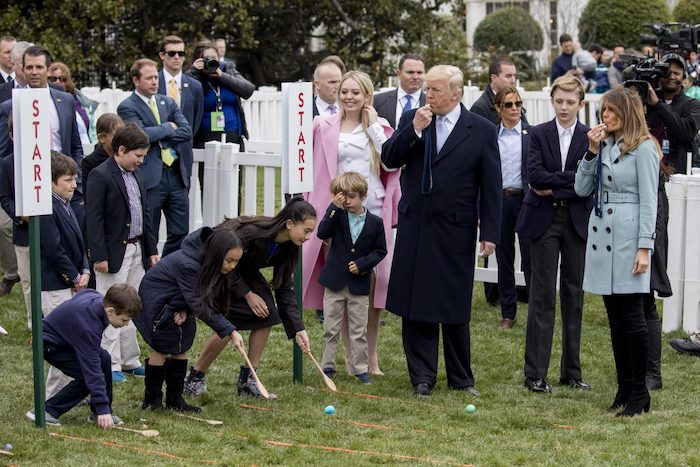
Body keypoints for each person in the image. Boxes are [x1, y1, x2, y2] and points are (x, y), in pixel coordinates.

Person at [381, 65, 502, 397]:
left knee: (454, 303)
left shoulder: (480, 129)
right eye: (426, 90)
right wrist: (414, 131)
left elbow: (491, 185)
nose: (427, 95)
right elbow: (389, 159)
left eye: (434, 90)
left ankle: (461, 378)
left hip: (456, 227)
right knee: (417, 301)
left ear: (456, 93)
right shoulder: (414, 119)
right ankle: (422, 375)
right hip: (417, 224)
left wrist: (490, 231)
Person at [302, 70, 400, 376]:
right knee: (342, 283)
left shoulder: (381, 126)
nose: (349, 97)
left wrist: (372, 127)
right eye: (344, 91)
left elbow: (390, 160)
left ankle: (370, 355)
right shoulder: (323, 125)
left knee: (374, 283)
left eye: (356, 92)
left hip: (373, 208)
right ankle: (349, 354)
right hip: (340, 213)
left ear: (367, 96)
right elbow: (315, 168)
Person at [575, 86, 660, 416]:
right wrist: (591, 153)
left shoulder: (644, 149)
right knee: (615, 320)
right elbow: (582, 189)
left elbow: (649, 202)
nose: (604, 117)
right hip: (603, 237)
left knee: (633, 319)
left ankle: (640, 393)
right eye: (602, 112)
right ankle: (625, 387)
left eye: (610, 111)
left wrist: (644, 248)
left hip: (627, 239)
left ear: (626, 112)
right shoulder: (605, 145)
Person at [184, 198, 315, 399]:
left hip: (243, 270)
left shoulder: (290, 246)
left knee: (268, 313)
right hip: (218, 267)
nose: (308, 237)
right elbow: (223, 257)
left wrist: (298, 328)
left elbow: (284, 288)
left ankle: (248, 380)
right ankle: (195, 378)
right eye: (306, 230)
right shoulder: (251, 233)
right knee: (227, 323)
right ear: (290, 224)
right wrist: (247, 294)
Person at [516, 75, 592, 394]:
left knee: (574, 296)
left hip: (575, 221)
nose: (563, 107)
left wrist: (560, 183)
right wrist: (571, 181)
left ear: (580, 104)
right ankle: (535, 373)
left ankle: (571, 371)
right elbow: (534, 177)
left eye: (570, 102)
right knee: (543, 295)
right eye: (559, 101)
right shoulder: (537, 133)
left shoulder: (590, 138)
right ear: (552, 100)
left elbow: (588, 183)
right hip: (543, 219)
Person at [135, 228, 245, 413]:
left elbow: (197, 296)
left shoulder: (208, 262)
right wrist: (230, 331)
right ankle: (152, 401)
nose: (233, 266)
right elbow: (198, 301)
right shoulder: (189, 265)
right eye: (229, 260)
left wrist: (186, 309)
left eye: (236, 261)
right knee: (162, 348)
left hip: (178, 300)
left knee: (182, 345)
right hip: (157, 302)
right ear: (216, 253)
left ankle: (175, 399)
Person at [85, 123, 159, 383]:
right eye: (137, 156)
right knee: (111, 306)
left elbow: (144, 214)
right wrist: (99, 255)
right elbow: (93, 219)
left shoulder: (137, 175)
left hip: (137, 248)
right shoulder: (100, 175)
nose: (140, 161)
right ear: (121, 150)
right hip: (113, 253)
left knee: (132, 306)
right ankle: (110, 362)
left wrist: (151, 249)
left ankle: (129, 360)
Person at [25, 284, 142, 427]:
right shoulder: (88, 328)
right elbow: (92, 371)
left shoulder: (97, 299)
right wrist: (102, 406)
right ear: (110, 311)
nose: (126, 324)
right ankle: (45, 411)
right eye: (124, 320)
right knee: (88, 378)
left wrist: (103, 409)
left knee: (104, 358)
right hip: (49, 345)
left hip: (69, 340)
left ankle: (98, 413)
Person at [117, 58, 192, 257]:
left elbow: (186, 131)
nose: (154, 82)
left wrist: (158, 135)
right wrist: (168, 127)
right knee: (149, 230)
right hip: (150, 178)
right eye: (148, 78)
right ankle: (149, 275)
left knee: (180, 231)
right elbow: (140, 136)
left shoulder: (167, 102)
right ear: (135, 80)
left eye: (155, 77)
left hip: (176, 175)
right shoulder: (127, 106)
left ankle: (168, 269)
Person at [318, 172, 387, 384]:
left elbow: (380, 251)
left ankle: (360, 369)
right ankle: (327, 366)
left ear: (363, 196)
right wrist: (332, 208)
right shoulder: (336, 217)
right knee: (331, 328)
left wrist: (363, 264)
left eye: (351, 196)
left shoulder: (375, 222)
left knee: (359, 329)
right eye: (342, 196)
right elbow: (322, 232)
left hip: (359, 284)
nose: (347, 201)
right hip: (334, 282)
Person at [40, 152, 90, 399]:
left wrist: (85, 269)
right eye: (68, 180)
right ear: (51, 182)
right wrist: (73, 276)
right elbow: (54, 248)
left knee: (71, 339)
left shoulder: (65, 204)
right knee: (61, 341)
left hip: (71, 280)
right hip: (54, 284)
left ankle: (64, 392)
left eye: (75, 179)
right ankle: (53, 395)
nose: (74, 185)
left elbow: (78, 243)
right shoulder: (48, 207)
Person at [492, 86, 531, 329]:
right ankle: (508, 313)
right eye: (509, 104)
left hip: (526, 201)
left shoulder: (531, 135)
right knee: (504, 258)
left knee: (530, 258)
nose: (515, 108)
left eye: (518, 104)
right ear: (498, 108)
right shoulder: (491, 136)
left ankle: (537, 309)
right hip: (499, 201)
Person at [187, 40, 254, 151]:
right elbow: (186, 97)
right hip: (204, 135)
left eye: (214, 57)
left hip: (232, 133)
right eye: (207, 58)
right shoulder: (193, 76)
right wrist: (194, 72)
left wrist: (222, 76)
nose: (211, 61)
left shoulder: (227, 69)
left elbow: (248, 90)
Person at [644, 53, 700, 174]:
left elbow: (686, 132)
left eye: (676, 73)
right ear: (659, 76)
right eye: (667, 72)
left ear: (684, 77)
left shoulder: (693, 104)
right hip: (647, 168)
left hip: (678, 174)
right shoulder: (646, 101)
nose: (672, 76)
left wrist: (658, 105)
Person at [48, 62, 99, 145]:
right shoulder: (49, 101)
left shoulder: (79, 100)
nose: (58, 82)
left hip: (87, 147)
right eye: (53, 79)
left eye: (62, 79)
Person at [373, 53, 426, 129]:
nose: (415, 77)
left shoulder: (431, 104)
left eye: (419, 73)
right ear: (398, 74)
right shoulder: (377, 101)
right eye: (410, 72)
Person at [82, 113, 124, 202]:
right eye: (116, 136)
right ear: (102, 138)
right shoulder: (90, 162)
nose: (121, 140)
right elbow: (90, 197)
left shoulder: (125, 156)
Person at [471, 59, 521, 125]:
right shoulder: (480, 108)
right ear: (494, 78)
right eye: (508, 76)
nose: (513, 80)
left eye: (514, 76)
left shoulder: (515, 101)